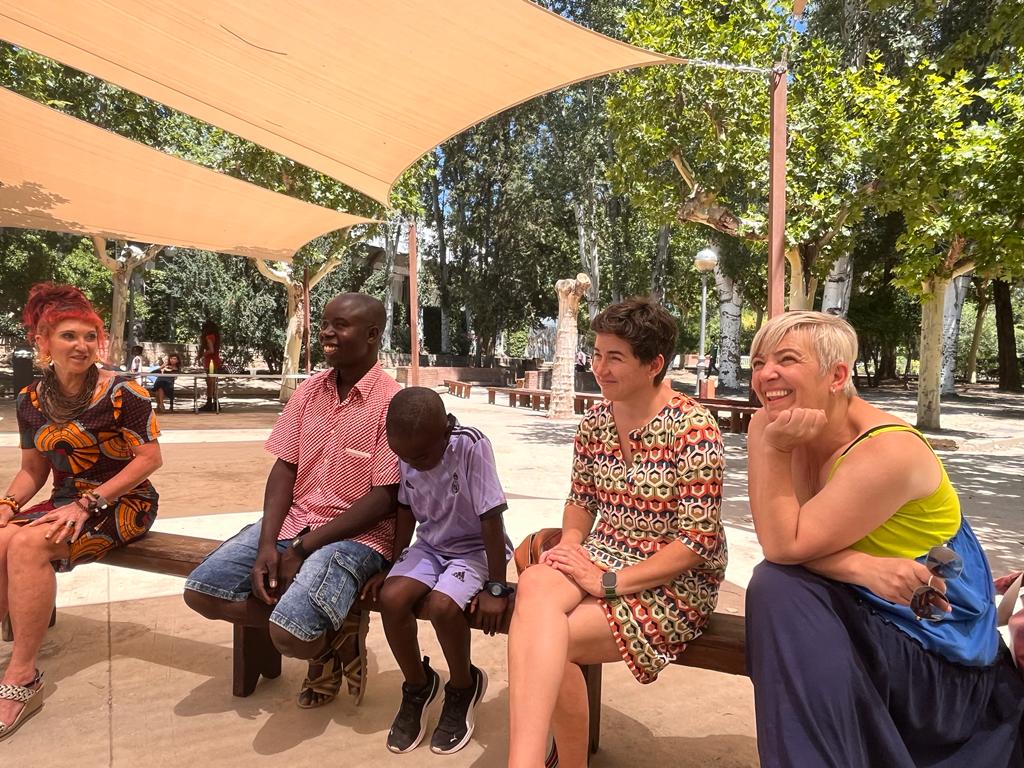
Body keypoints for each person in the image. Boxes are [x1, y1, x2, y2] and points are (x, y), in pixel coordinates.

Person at [743, 310, 1024, 767]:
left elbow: (783, 547)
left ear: (837, 375)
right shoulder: (772, 426)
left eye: (786, 359)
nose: (766, 374)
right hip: (864, 615)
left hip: (938, 656)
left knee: (778, 587)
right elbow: (783, 543)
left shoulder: (887, 450)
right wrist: (861, 566)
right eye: (758, 362)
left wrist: (775, 451)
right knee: (781, 588)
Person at [507, 298, 727, 768]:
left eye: (615, 357)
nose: (600, 369)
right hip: (608, 549)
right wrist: (569, 548)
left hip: (674, 577)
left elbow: (695, 541)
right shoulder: (597, 421)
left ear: (654, 365)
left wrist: (606, 583)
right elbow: (582, 500)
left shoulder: (693, 428)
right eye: (597, 354)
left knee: (547, 641)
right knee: (537, 584)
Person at [183, 293, 401, 708]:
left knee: (289, 634)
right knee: (201, 592)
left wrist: (302, 548)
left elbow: (384, 497)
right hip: (295, 522)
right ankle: (334, 640)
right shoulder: (310, 392)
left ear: (372, 335)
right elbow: (284, 469)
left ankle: (319, 640)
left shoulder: (391, 402)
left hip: (356, 537)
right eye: (324, 323)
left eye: (340, 325)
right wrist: (268, 544)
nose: (326, 333)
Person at [0, 283, 162, 741]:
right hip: (64, 499)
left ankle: (23, 675)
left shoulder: (124, 392)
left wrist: (89, 502)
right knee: (3, 536)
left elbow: (149, 460)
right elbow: (33, 470)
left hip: (123, 501)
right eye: (69, 336)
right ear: (43, 343)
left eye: (90, 337)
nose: (82, 345)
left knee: (31, 543)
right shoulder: (30, 399)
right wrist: (7, 506)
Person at [361, 387, 512, 755]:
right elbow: (406, 510)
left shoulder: (471, 446)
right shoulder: (407, 448)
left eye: (424, 455)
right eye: (406, 456)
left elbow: (491, 519)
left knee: (444, 606)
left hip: (474, 550)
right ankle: (418, 685)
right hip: (431, 546)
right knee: (392, 598)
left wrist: (496, 588)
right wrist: (393, 564)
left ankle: (463, 686)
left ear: (446, 430)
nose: (416, 463)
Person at [198, 319, 221, 412]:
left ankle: (210, 403)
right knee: (213, 382)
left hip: (211, 362)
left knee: (210, 383)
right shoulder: (215, 336)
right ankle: (215, 403)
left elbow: (211, 350)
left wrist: (203, 355)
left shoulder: (208, 337)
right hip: (215, 361)